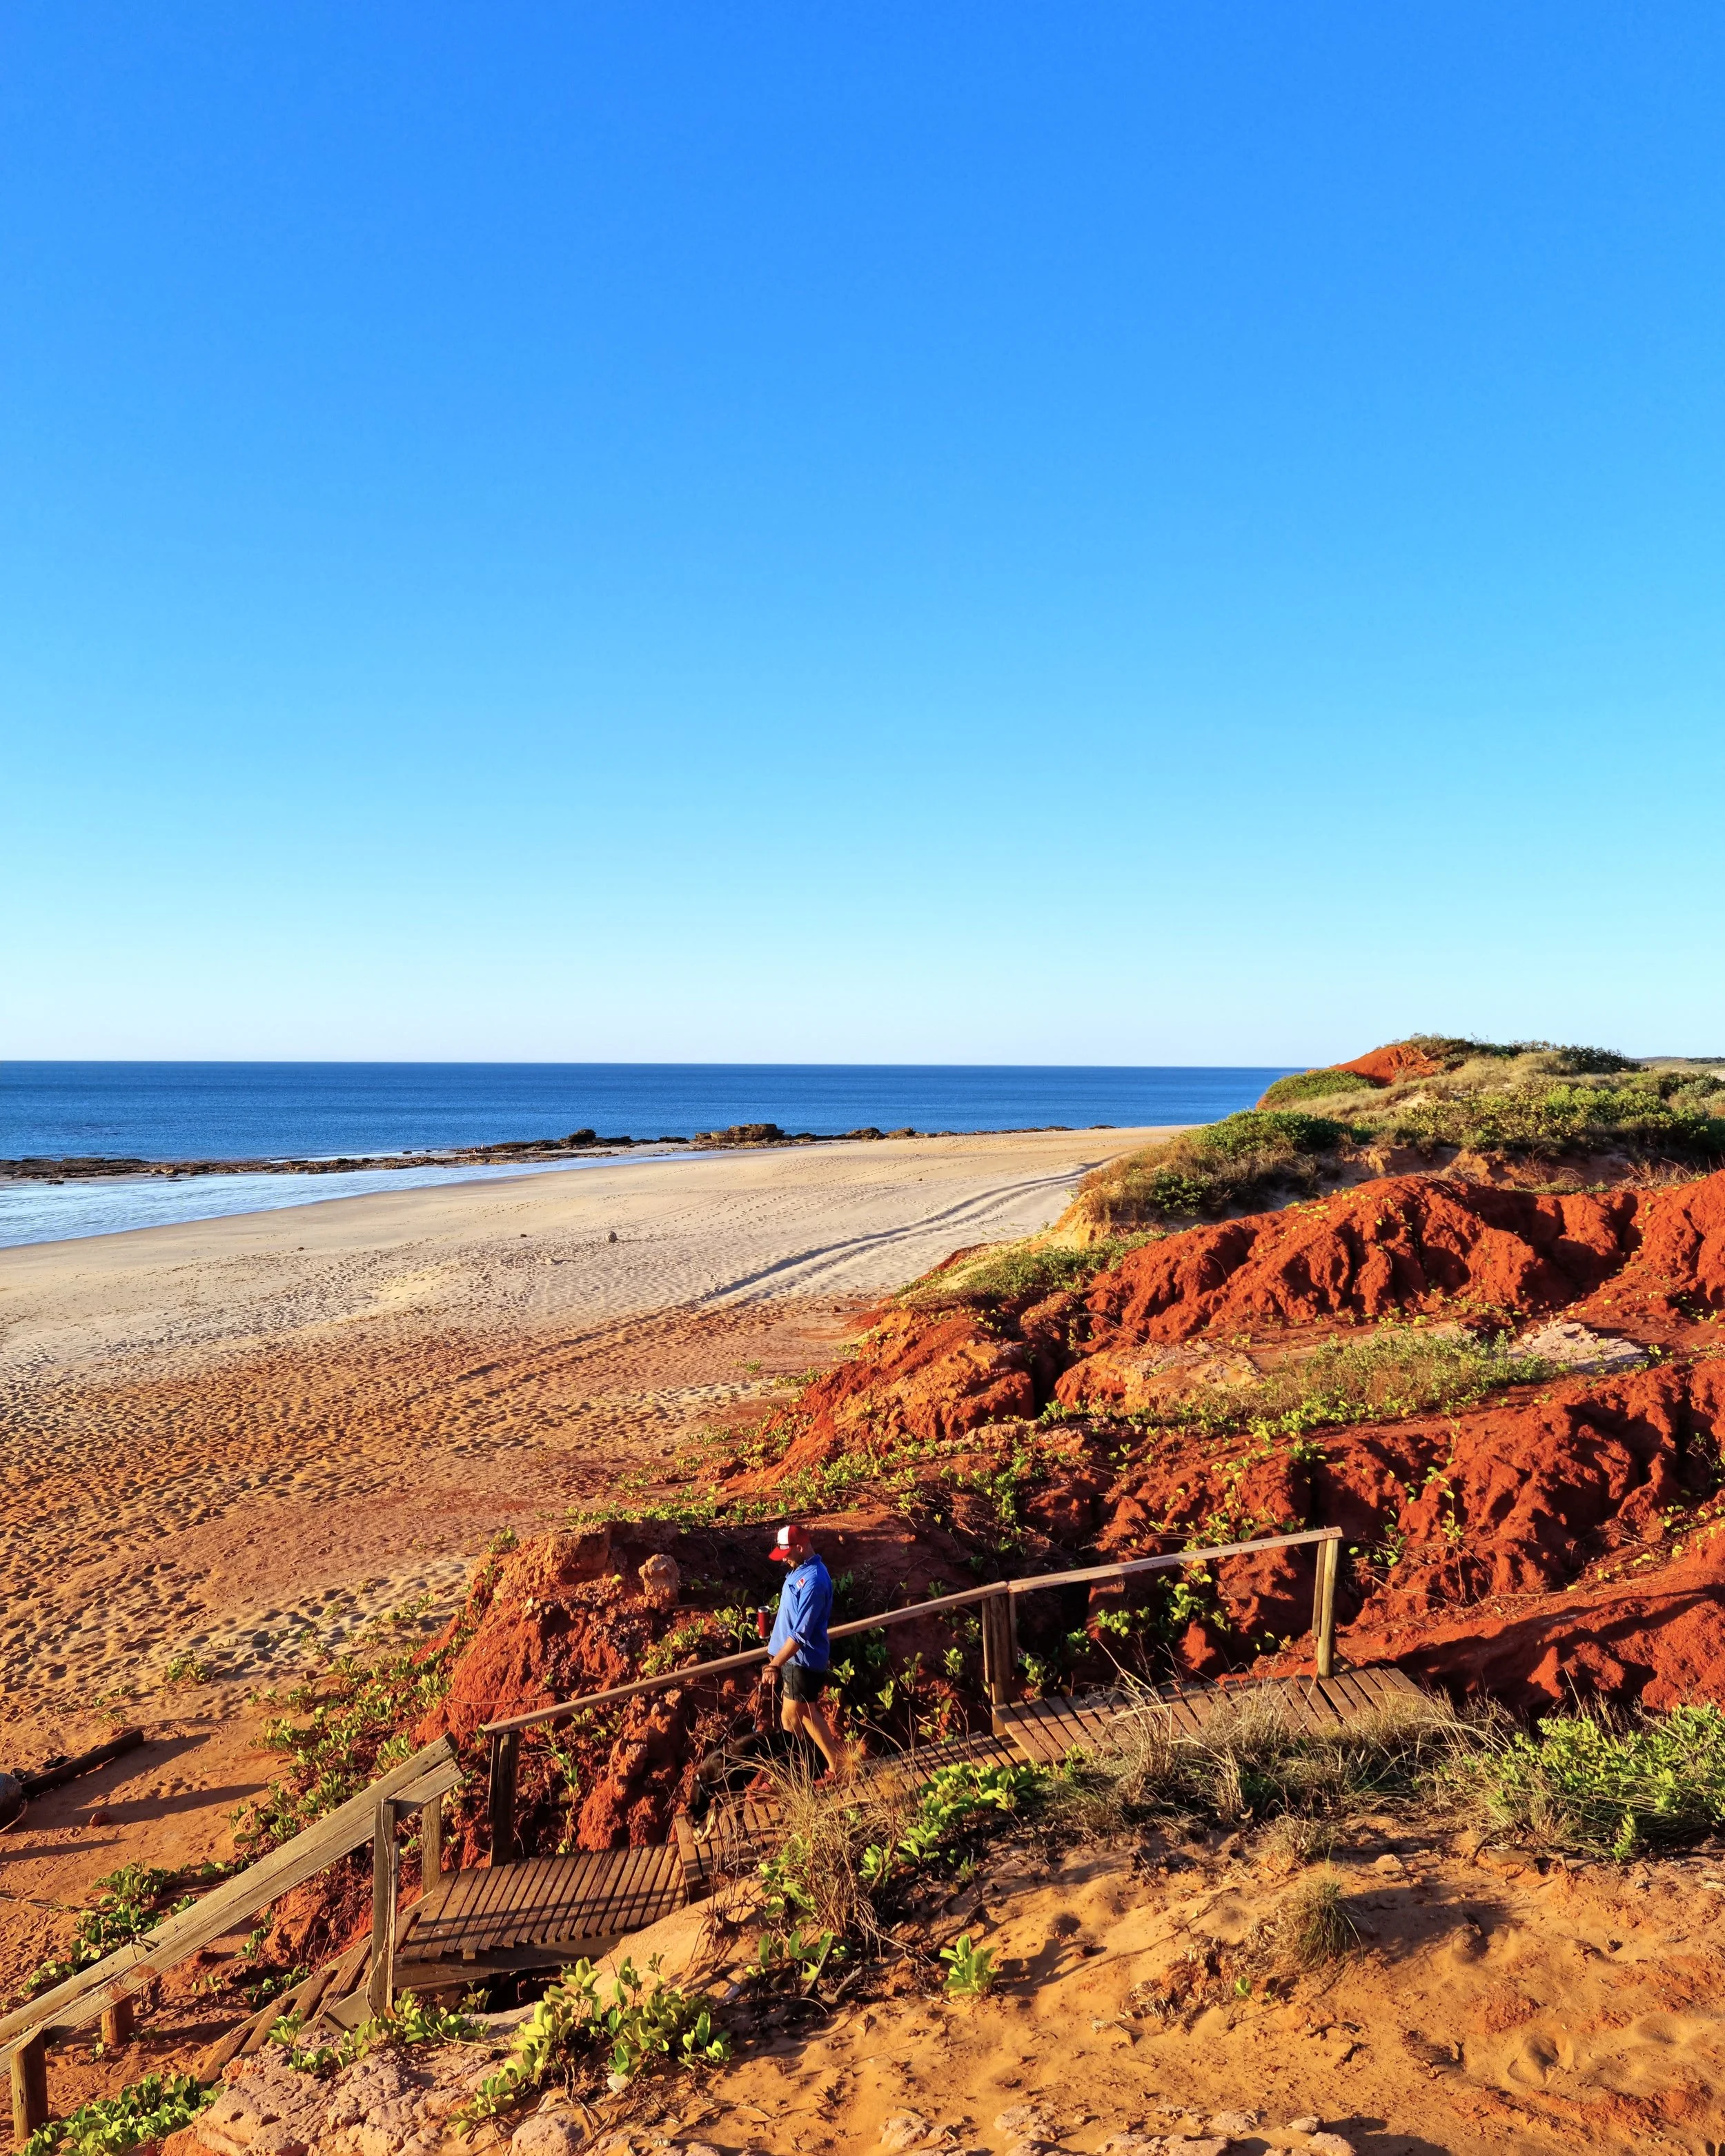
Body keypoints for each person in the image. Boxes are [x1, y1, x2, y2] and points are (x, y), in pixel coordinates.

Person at [762, 1522, 851, 1778]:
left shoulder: (814, 1581)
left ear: (800, 1547)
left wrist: (775, 1664)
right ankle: (821, 1767)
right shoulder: (800, 1568)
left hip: (802, 1662)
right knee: (800, 1717)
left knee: (796, 1718)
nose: (784, 1560)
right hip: (792, 1661)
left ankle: (812, 1771)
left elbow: (801, 1634)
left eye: (787, 1554)